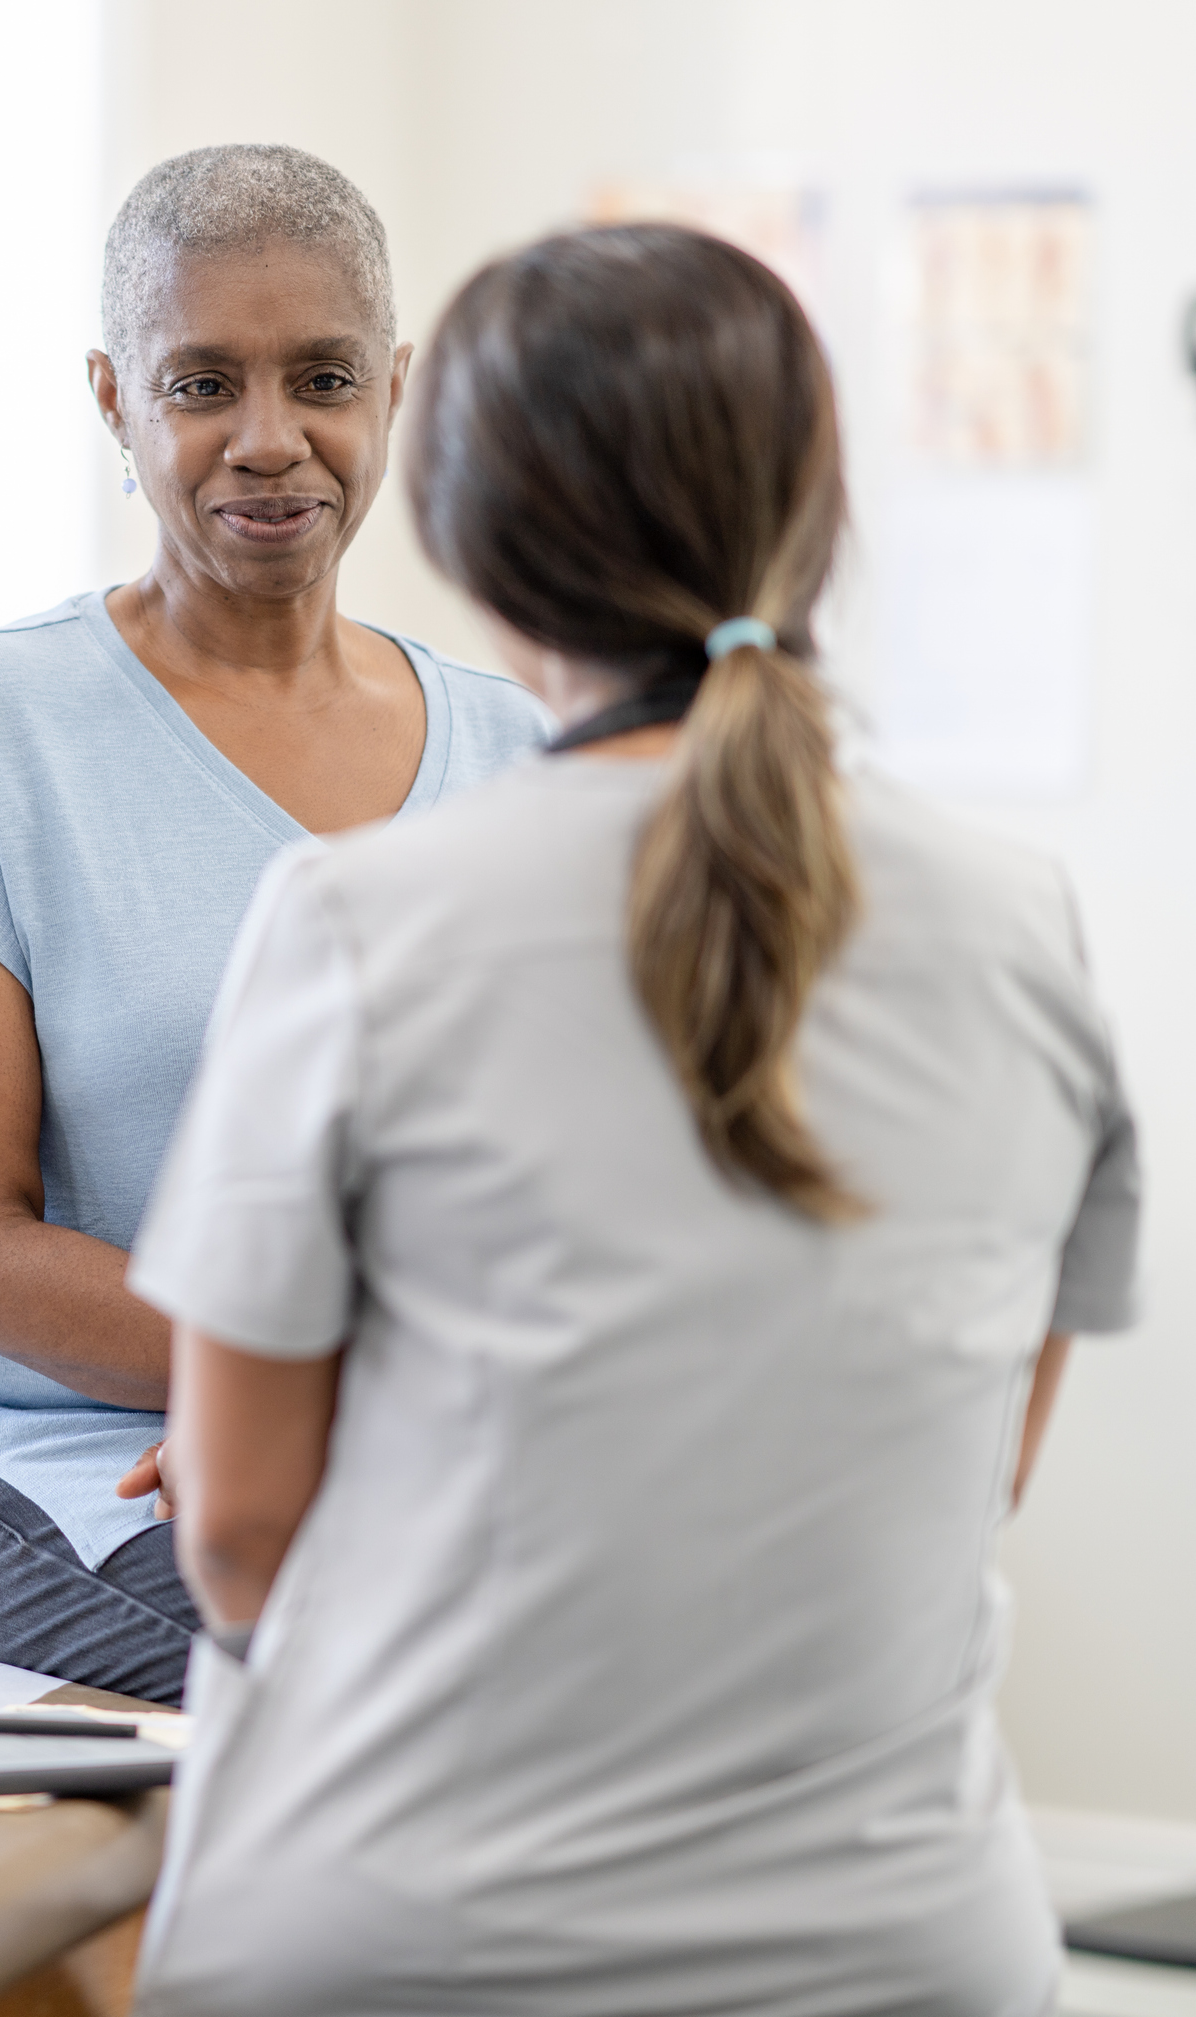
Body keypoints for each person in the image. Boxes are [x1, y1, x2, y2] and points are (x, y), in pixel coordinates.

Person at [125, 225, 1140, 2014]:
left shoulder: (357, 923)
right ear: (818, 516)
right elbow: (976, 1466)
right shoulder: (1022, 919)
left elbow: (234, 1531)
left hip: (422, 1948)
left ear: (463, 531)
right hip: (907, 1955)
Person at [0, 145, 550, 1708]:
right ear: (113, 397)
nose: (269, 441)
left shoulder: (514, 746)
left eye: (324, 378)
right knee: (393, 1685)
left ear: (395, 385)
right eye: (202, 382)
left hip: (412, 1435)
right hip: (66, 1459)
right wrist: (320, 1379)